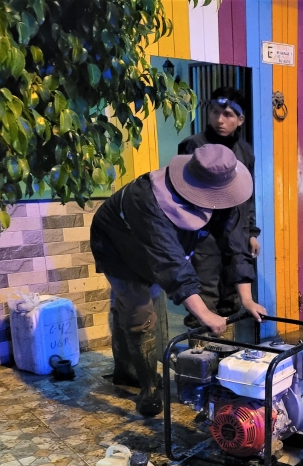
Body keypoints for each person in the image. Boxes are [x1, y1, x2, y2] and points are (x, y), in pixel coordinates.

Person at [90, 145, 265, 417]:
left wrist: (246, 297)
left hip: (164, 246)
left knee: (139, 302)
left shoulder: (225, 185)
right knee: (139, 310)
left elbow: (235, 243)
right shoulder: (146, 199)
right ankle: (146, 386)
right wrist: (204, 313)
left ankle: (127, 366)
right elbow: (170, 263)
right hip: (116, 245)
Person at [178, 87, 259, 325]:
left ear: (240, 119)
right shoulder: (192, 146)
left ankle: (223, 356)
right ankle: (199, 357)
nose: (220, 120)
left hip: (235, 230)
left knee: (231, 296)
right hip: (203, 235)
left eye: (228, 114)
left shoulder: (245, 152)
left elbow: (248, 197)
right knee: (205, 294)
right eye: (215, 112)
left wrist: (251, 233)